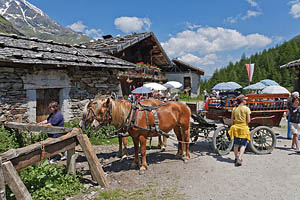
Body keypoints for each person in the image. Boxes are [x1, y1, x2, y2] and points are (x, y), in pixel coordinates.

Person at [228, 95, 251, 167]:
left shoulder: (234, 109)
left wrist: (233, 124)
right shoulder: (246, 109)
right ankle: (240, 158)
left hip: (236, 128)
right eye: (245, 100)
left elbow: (231, 120)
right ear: (242, 101)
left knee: (236, 144)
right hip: (244, 128)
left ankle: (236, 157)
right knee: (243, 144)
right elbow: (248, 120)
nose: (246, 101)